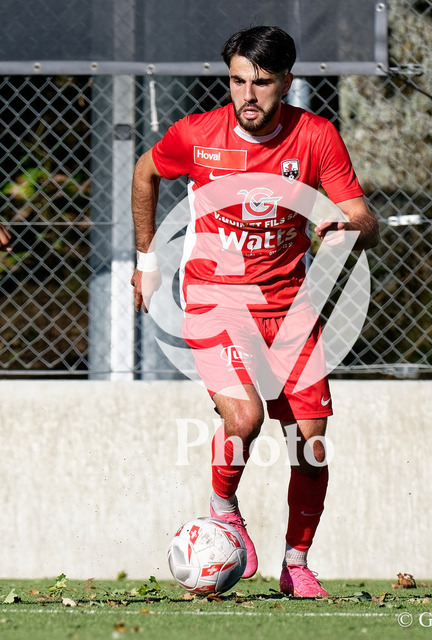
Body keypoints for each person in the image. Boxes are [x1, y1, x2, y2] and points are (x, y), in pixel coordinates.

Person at [131, 25, 379, 597]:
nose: (247, 94)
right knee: (244, 419)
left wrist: (348, 228)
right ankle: (224, 508)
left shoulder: (315, 136)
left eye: (261, 83)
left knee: (310, 445)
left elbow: (364, 219)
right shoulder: (197, 134)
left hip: (290, 307)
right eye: (238, 80)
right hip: (215, 299)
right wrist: (146, 258)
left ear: (286, 82)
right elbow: (145, 171)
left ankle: (296, 564)